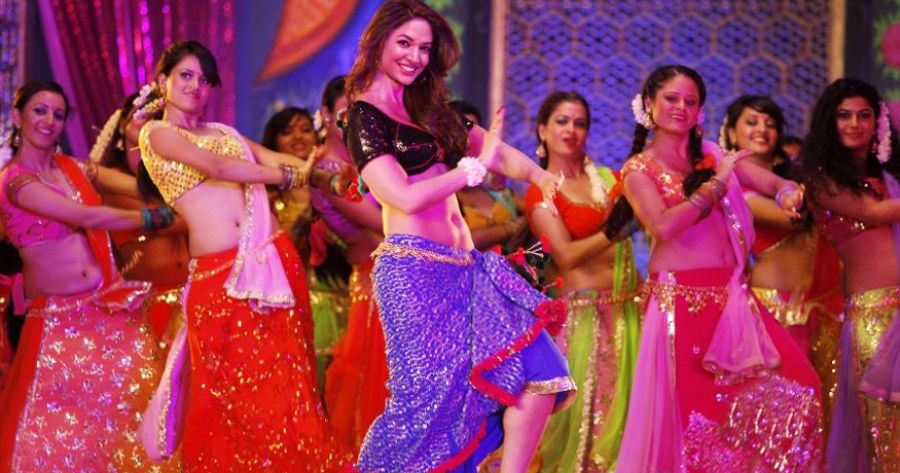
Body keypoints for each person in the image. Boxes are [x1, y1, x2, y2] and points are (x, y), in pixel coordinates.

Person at [344, 1, 575, 471]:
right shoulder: (363, 117)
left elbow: (496, 153)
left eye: (424, 48)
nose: (414, 57)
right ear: (378, 41)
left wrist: (540, 176)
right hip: (414, 276)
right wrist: (469, 172)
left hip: (468, 272)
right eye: (404, 43)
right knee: (427, 409)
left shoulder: (431, 110)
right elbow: (402, 196)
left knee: (540, 375)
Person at [138, 40, 351, 471]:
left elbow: (273, 156)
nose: (195, 86)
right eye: (185, 75)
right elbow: (218, 169)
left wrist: (322, 171)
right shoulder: (157, 134)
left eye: (204, 79)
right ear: (162, 81)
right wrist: (292, 175)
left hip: (269, 266)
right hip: (218, 281)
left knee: (286, 387)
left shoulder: (224, 134)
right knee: (231, 397)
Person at [604, 65, 822, 472]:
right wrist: (715, 186)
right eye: (671, 98)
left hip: (733, 300)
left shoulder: (713, 155)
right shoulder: (638, 169)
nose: (681, 107)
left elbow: (774, 184)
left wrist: (790, 193)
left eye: (690, 101)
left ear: (700, 110)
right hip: (680, 305)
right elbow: (663, 226)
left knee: (800, 385)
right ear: (649, 104)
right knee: (698, 421)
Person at [0, 80, 178, 472]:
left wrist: (176, 193)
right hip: (59, 325)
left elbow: (137, 187)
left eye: (58, 114)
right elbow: (85, 216)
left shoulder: (72, 170)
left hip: (106, 311)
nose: (49, 121)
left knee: (125, 422)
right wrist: (151, 218)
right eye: (39, 111)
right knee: (57, 437)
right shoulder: (14, 181)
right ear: (17, 116)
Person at [525, 91, 640, 473]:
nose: (571, 130)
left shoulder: (608, 179)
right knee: (583, 432)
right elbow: (567, 256)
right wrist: (615, 231)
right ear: (542, 130)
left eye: (580, 123)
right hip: (584, 323)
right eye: (561, 121)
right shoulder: (541, 192)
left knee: (628, 422)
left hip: (629, 311)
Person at [720, 95, 843, 435]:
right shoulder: (731, 187)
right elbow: (796, 219)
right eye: (751, 122)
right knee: (784, 409)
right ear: (731, 133)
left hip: (819, 309)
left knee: (823, 411)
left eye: (770, 123)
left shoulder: (796, 179)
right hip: (772, 312)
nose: (762, 129)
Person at [801, 78, 900, 472]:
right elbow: (874, 213)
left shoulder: (890, 179)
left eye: (864, 115)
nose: (855, 124)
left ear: (878, 122)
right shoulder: (822, 180)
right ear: (830, 121)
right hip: (874, 319)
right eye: (844, 116)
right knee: (884, 431)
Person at [304, 75, 390, 451]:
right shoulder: (328, 169)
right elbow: (382, 222)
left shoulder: (362, 162)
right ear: (325, 114)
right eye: (345, 113)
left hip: (387, 278)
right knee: (374, 388)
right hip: (374, 285)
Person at [91, 88, 191, 345]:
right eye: (141, 114)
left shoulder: (176, 177)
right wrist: (195, 213)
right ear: (122, 125)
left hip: (188, 301)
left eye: (157, 116)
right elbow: (165, 222)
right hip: (145, 307)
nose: (149, 121)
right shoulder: (108, 180)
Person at [451, 100, 528, 252]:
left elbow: (537, 213)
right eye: (460, 132)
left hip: (511, 266)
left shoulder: (496, 191)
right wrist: (511, 227)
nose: (468, 140)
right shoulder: (441, 195)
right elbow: (461, 241)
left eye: (473, 131)